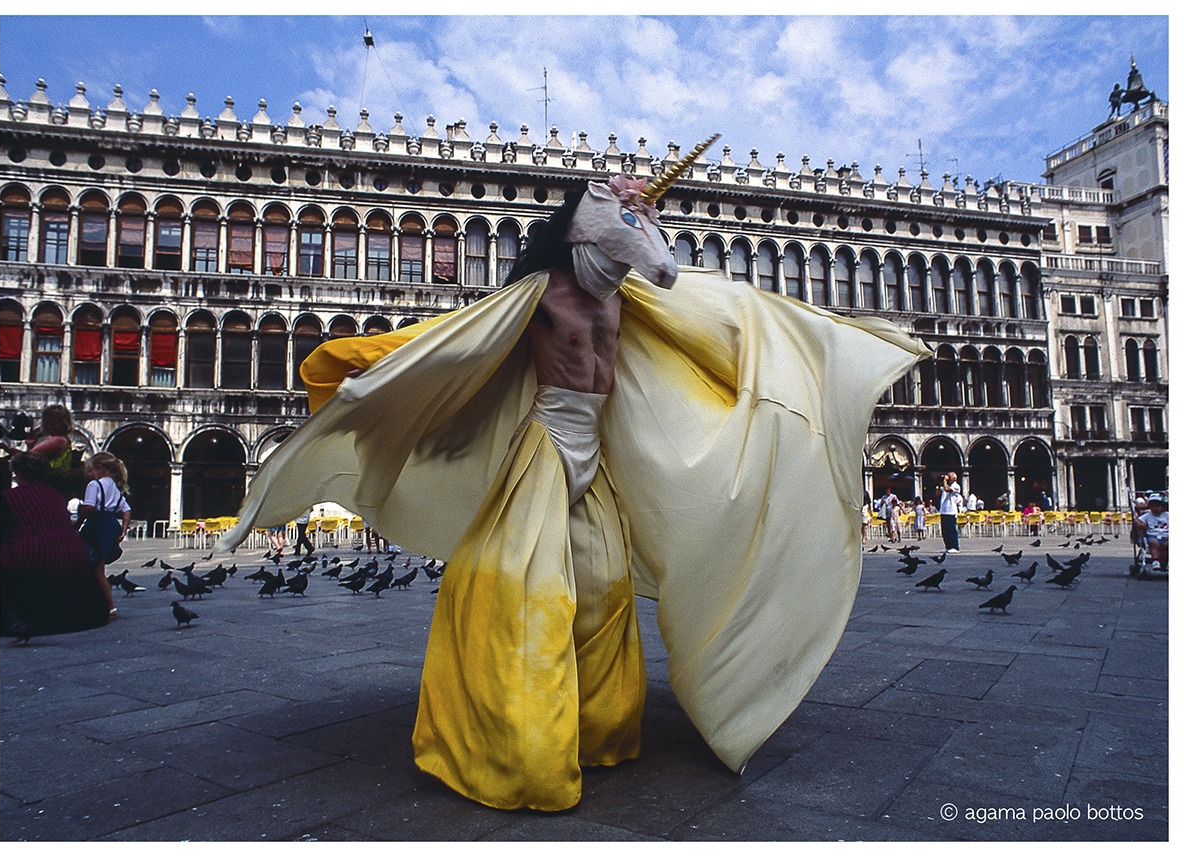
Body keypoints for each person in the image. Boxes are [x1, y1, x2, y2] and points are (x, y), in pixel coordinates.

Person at [216, 164, 929, 811]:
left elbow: (716, 314)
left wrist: (809, 354)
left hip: (595, 451)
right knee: (527, 586)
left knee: (601, 587)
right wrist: (372, 370)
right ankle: (518, 742)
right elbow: (461, 340)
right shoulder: (541, 295)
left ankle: (595, 727)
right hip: (547, 445)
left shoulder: (629, 301)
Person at [0, 453, 112, 640]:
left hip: (32, 558)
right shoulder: (56, 496)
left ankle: (8, 614)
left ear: (18, 474)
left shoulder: (9, 498)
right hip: (74, 558)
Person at [77, 452, 131, 620]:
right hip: (110, 526)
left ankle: (109, 607)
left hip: (96, 527)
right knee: (97, 568)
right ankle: (102, 604)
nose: (90, 474)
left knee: (95, 569)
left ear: (98, 468)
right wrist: (123, 530)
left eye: (91, 470)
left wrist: (77, 523)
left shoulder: (95, 485)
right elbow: (126, 510)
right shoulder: (114, 487)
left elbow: (89, 508)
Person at [1, 404, 77, 500]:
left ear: (63, 423)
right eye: (47, 423)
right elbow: (33, 459)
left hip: (50, 485)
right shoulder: (65, 440)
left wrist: (6, 448)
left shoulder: (58, 440)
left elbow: (26, 458)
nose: (49, 426)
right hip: (57, 486)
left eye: (53, 423)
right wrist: (30, 445)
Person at [1135, 494, 1169, 571]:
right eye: (1153, 506)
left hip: (1166, 535)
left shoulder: (1167, 515)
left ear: (1163, 507)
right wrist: (1139, 523)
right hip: (1153, 535)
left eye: (1157, 506)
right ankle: (1155, 560)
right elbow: (1138, 520)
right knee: (1154, 544)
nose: (1155, 508)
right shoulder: (1148, 515)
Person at [938, 472, 963, 553]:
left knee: (951, 529)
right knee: (945, 531)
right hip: (944, 510)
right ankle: (948, 546)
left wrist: (945, 482)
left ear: (954, 478)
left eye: (949, 476)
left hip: (951, 511)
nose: (947, 477)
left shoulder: (956, 486)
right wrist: (941, 483)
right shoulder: (945, 485)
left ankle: (954, 546)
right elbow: (937, 493)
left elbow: (947, 489)